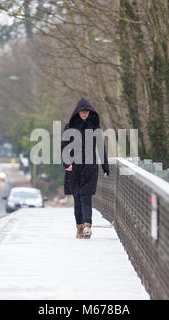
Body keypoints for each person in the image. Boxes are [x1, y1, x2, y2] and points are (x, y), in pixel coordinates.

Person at [61, 97, 109, 239]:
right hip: (74, 167)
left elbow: (101, 147)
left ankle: (87, 226)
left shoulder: (95, 127)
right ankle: (80, 228)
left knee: (86, 198)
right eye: (82, 112)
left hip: (89, 167)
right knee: (77, 199)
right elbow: (63, 147)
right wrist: (66, 163)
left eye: (86, 112)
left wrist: (105, 166)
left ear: (90, 112)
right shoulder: (69, 127)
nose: (84, 114)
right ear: (78, 112)